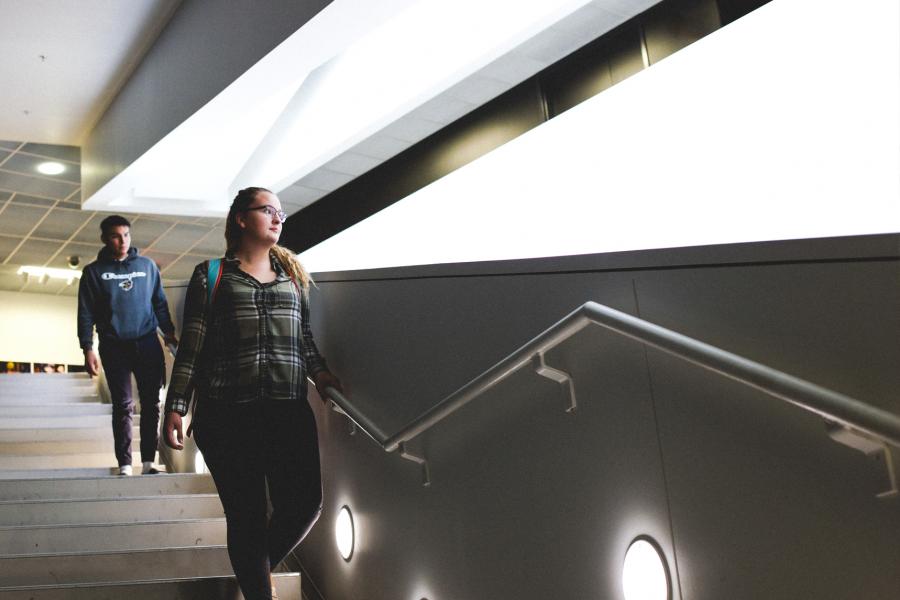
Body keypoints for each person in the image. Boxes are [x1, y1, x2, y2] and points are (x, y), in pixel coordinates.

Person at [163, 187, 341, 600]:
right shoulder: (212, 275)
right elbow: (193, 345)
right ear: (241, 219)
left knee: (305, 505)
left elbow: (305, 339)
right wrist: (175, 407)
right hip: (227, 416)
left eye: (281, 212)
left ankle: (252, 575)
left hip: (286, 411)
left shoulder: (294, 278)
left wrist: (322, 374)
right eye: (268, 210)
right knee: (245, 517)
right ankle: (258, 592)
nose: (278, 218)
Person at [77, 215, 178, 476]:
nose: (122, 241)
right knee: (123, 405)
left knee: (151, 403)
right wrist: (87, 347)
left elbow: (159, 303)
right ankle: (124, 464)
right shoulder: (93, 272)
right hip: (113, 346)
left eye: (126, 235)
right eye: (115, 236)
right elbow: (85, 313)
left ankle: (148, 463)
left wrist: (168, 333)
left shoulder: (146, 266)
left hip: (146, 342)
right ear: (104, 238)